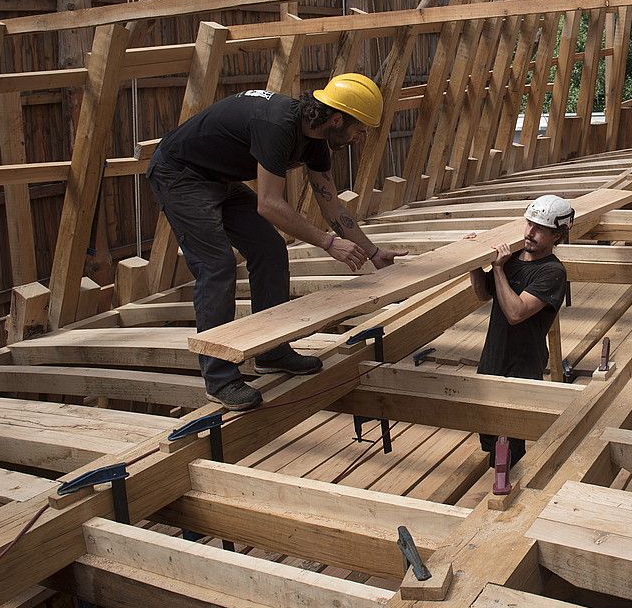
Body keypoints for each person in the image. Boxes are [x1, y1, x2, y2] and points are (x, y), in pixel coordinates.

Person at [147, 73, 405, 411]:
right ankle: (220, 378)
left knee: (269, 249)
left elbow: (331, 204)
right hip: (180, 175)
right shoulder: (278, 125)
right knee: (217, 265)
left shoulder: (315, 140)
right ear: (338, 118)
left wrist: (372, 252)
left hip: (218, 178)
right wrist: (328, 244)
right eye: (360, 129)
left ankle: (271, 352)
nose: (361, 138)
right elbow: (268, 204)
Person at [467, 194, 573, 468]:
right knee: (489, 430)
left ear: (557, 235)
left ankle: (510, 494)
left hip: (522, 365)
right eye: (529, 224)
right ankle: (498, 473)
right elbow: (482, 294)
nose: (530, 232)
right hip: (493, 357)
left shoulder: (552, 272)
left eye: (540, 229)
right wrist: (475, 265)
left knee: (512, 438)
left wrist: (498, 268)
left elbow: (515, 313)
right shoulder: (513, 258)